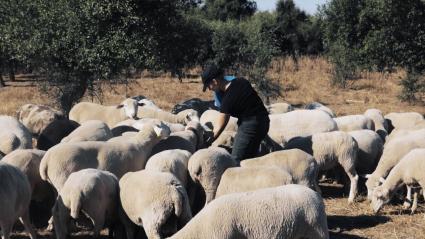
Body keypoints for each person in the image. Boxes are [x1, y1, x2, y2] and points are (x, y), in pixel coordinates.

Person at [202, 64, 270, 162]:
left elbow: (220, 126)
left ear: (215, 81)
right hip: (264, 121)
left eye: (209, 85)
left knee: (236, 159)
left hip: (250, 125)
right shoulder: (241, 81)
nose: (209, 88)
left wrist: (209, 141)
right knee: (250, 157)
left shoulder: (227, 100)